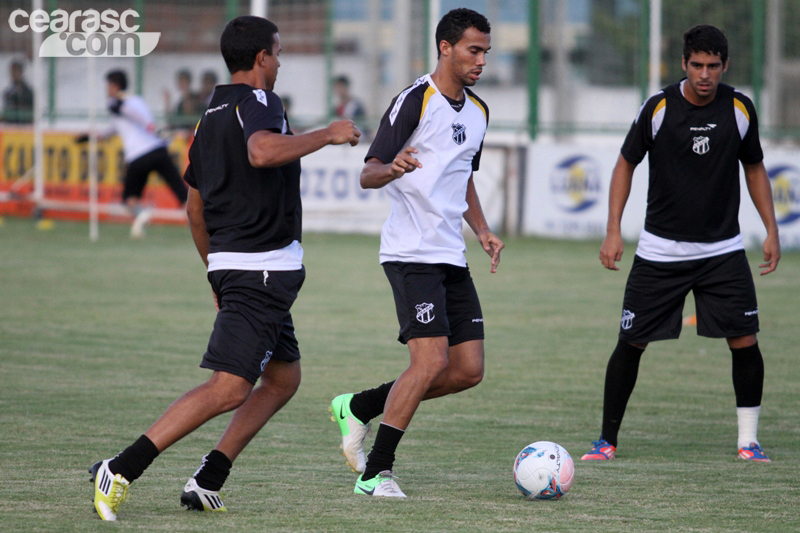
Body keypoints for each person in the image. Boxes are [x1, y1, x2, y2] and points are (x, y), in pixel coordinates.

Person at [89, 15, 360, 521]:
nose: (279, 64)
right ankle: (120, 468)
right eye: (277, 54)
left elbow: (194, 209)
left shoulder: (209, 114)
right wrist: (328, 134)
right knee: (230, 387)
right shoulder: (261, 101)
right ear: (261, 57)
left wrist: (214, 271)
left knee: (282, 379)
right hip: (260, 270)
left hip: (240, 268)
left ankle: (208, 479)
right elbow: (262, 151)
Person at [580, 24, 780, 463]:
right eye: (697, 65)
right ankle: (606, 441)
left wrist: (772, 228)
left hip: (722, 251)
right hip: (659, 252)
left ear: (725, 65)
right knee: (631, 341)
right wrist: (613, 229)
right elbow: (625, 164)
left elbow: (755, 168)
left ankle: (749, 442)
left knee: (745, 340)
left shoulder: (740, 109)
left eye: (713, 66)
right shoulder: (658, 108)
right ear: (684, 64)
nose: (705, 74)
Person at [329, 8, 503, 498]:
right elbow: (369, 172)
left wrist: (482, 229)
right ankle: (375, 474)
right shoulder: (414, 100)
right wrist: (393, 167)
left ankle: (359, 406)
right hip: (410, 252)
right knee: (428, 362)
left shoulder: (479, 111)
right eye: (473, 50)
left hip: (451, 253)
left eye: (486, 52)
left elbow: (462, 174)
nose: (481, 61)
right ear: (445, 47)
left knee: (467, 370)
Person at [76, 70, 188, 237]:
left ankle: (142, 214)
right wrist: (91, 137)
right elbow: (114, 128)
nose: (106, 89)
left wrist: (150, 126)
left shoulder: (117, 103)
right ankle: (200, 225)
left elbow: (131, 112)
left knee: (129, 199)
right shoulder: (136, 100)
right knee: (182, 194)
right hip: (158, 150)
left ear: (115, 86)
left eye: (108, 85)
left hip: (138, 155)